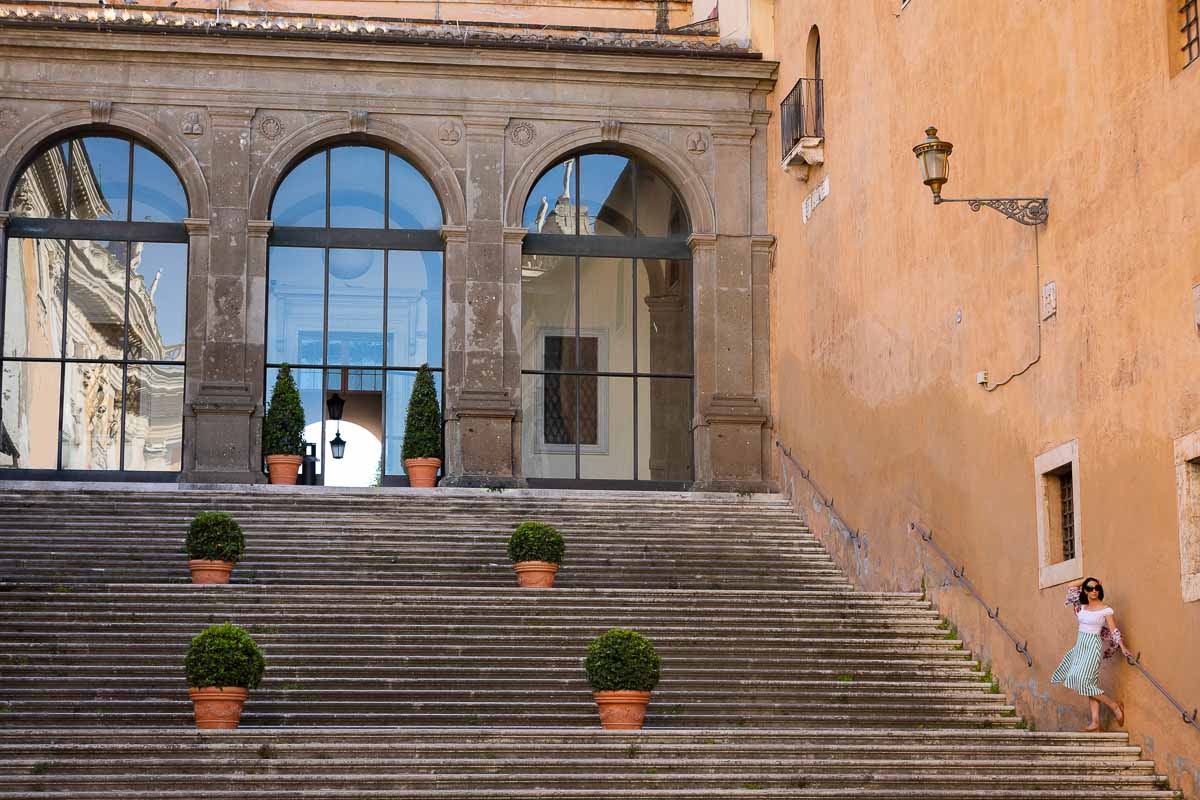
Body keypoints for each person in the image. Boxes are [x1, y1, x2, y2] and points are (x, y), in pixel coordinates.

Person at [1050, 576, 1131, 732]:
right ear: (1085, 591)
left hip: (1093, 646)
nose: (1094, 591)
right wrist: (1090, 579)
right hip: (1080, 646)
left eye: (1096, 588)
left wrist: (1122, 647)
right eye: (1090, 588)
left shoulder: (1105, 609)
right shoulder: (1081, 606)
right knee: (1088, 684)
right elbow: (1071, 585)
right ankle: (1095, 723)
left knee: (1083, 682)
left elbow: (1114, 630)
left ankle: (1114, 706)